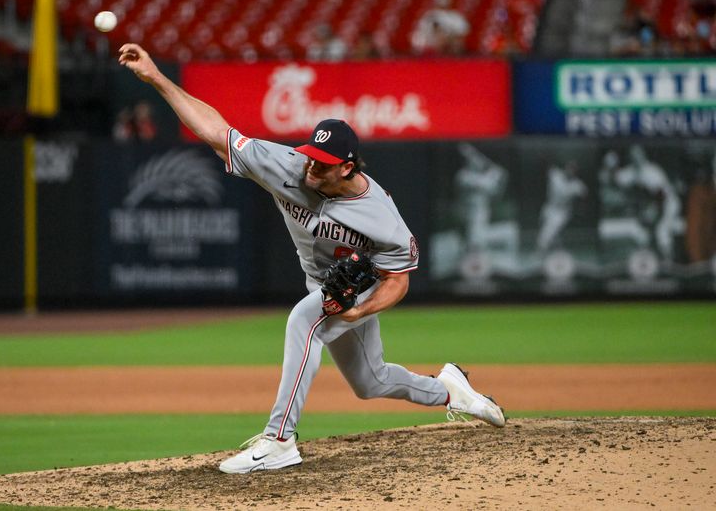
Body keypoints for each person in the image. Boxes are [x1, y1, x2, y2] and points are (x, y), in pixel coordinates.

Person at [118, 43, 506, 474]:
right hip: (323, 282)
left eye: (322, 165)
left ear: (348, 168)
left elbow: (398, 280)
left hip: (363, 286)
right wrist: (156, 77)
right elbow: (215, 131)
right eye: (310, 157)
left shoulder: (382, 219)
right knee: (369, 382)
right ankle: (452, 390)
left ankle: (280, 440)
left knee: (304, 322)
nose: (310, 169)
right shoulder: (287, 165)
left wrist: (359, 309)